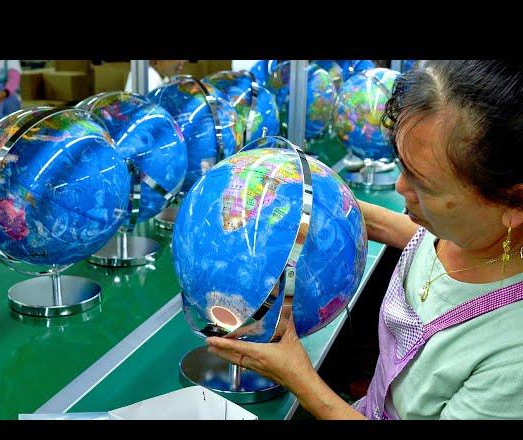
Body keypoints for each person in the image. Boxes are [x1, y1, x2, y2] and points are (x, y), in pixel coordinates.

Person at [206, 60, 523, 420]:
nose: (401, 188)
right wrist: (301, 194)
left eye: (424, 183)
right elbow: (404, 232)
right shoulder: (467, 236)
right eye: (402, 165)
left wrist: (300, 379)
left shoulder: (514, 361)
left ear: (515, 202)